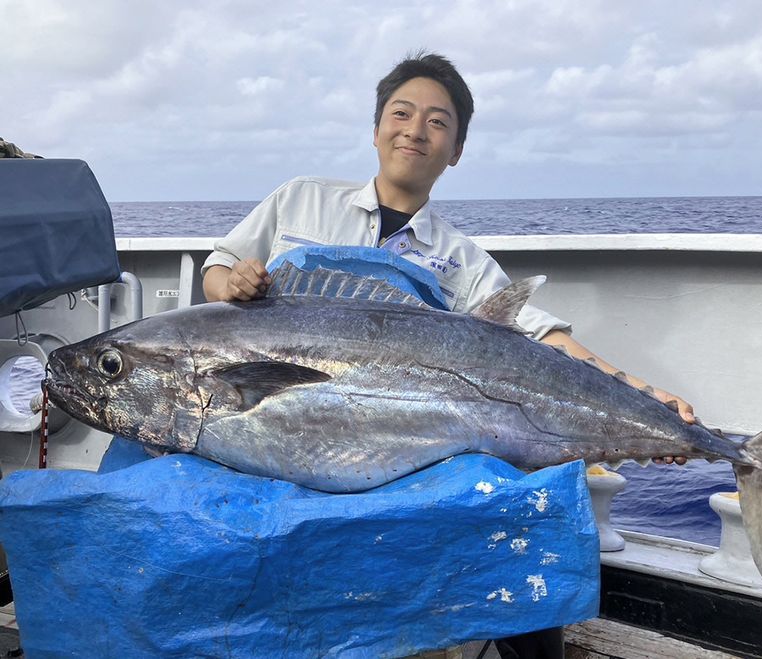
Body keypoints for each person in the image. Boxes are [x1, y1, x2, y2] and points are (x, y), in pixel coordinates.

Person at [201, 51, 692, 658]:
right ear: (376, 126)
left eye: (438, 122)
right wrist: (235, 285)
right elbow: (217, 270)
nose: (415, 129)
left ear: (456, 150)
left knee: (523, 508)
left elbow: (540, 338)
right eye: (401, 113)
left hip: (396, 434)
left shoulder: (459, 258)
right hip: (280, 420)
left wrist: (647, 397)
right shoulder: (299, 200)